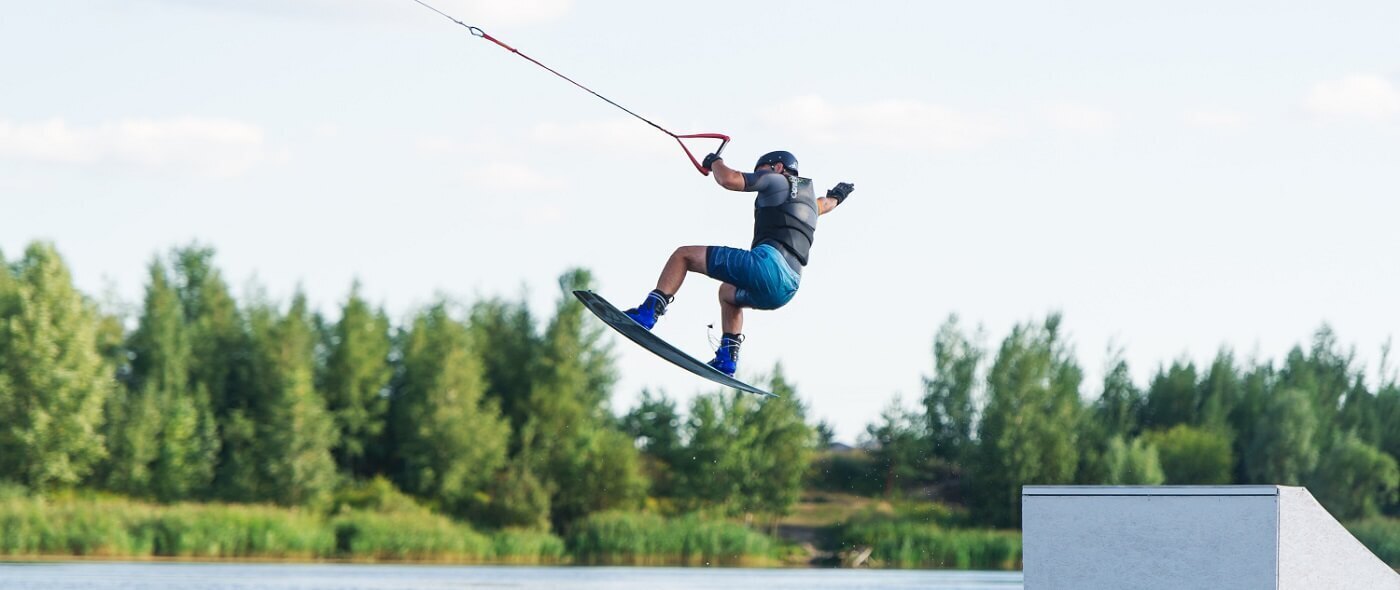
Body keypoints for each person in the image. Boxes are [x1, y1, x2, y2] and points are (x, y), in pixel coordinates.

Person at [623, 149, 854, 376]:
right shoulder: (810, 202)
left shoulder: (775, 179)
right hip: (788, 288)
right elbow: (828, 203)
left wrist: (715, 161)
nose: (759, 179)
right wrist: (838, 196)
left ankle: (647, 314)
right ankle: (727, 358)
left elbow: (728, 179)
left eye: (760, 171)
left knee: (683, 255)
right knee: (727, 293)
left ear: (779, 168)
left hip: (767, 267)